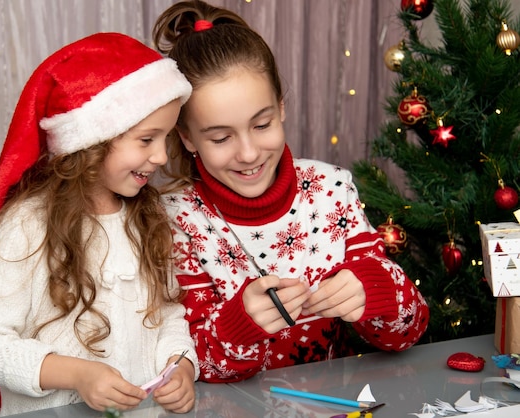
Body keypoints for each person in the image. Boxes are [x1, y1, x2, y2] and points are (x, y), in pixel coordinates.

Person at [152, 0, 430, 383]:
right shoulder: (177, 219)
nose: (248, 153)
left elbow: (409, 331)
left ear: (281, 108)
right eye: (220, 137)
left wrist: (374, 289)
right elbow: (184, 365)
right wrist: (239, 326)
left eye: (262, 125)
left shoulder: (332, 190)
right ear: (187, 138)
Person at [0, 33, 198, 416]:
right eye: (146, 139)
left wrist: (182, 365)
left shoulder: (146, 219)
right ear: (93, 141)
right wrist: (77, 375)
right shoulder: (27, 227)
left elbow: (169, 314)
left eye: (166, 138)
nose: (159, 156)